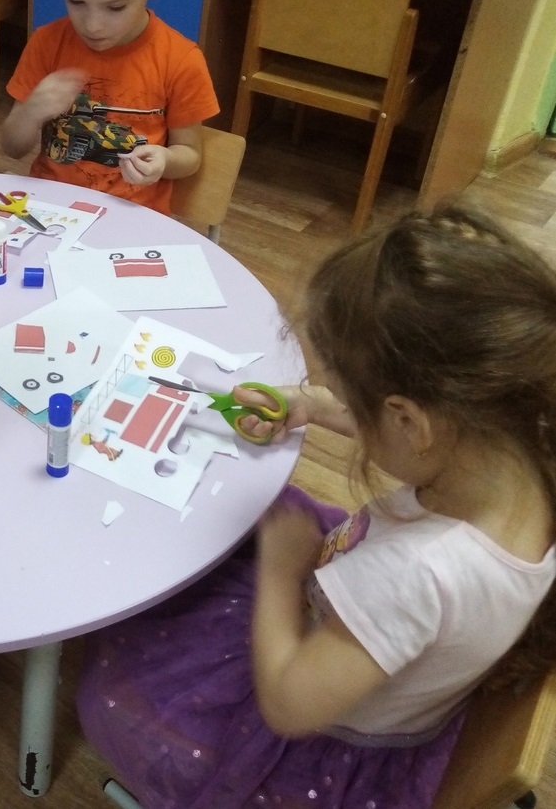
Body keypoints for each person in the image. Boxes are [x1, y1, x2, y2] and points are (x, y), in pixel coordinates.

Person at [76, 204, 556, 809]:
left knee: (114, 677)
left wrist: (283, 573)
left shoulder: (417, 575)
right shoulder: (523, 439)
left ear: (409, 420)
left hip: (314, 733)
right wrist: (311, 404)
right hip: (381, 643)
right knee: (254, 520)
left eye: (352, 396)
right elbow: (429, 435)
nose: (343, 403)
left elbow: (287, 705)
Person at [0, 0, 219, 216]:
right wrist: (30, 113)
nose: (93, 25)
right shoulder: (47, 42)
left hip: (131, 217)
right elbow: (12, 147)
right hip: (51, 210)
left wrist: (165, 160)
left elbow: (190, 155)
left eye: (115, 7)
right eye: (76, 0)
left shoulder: (181, 60)